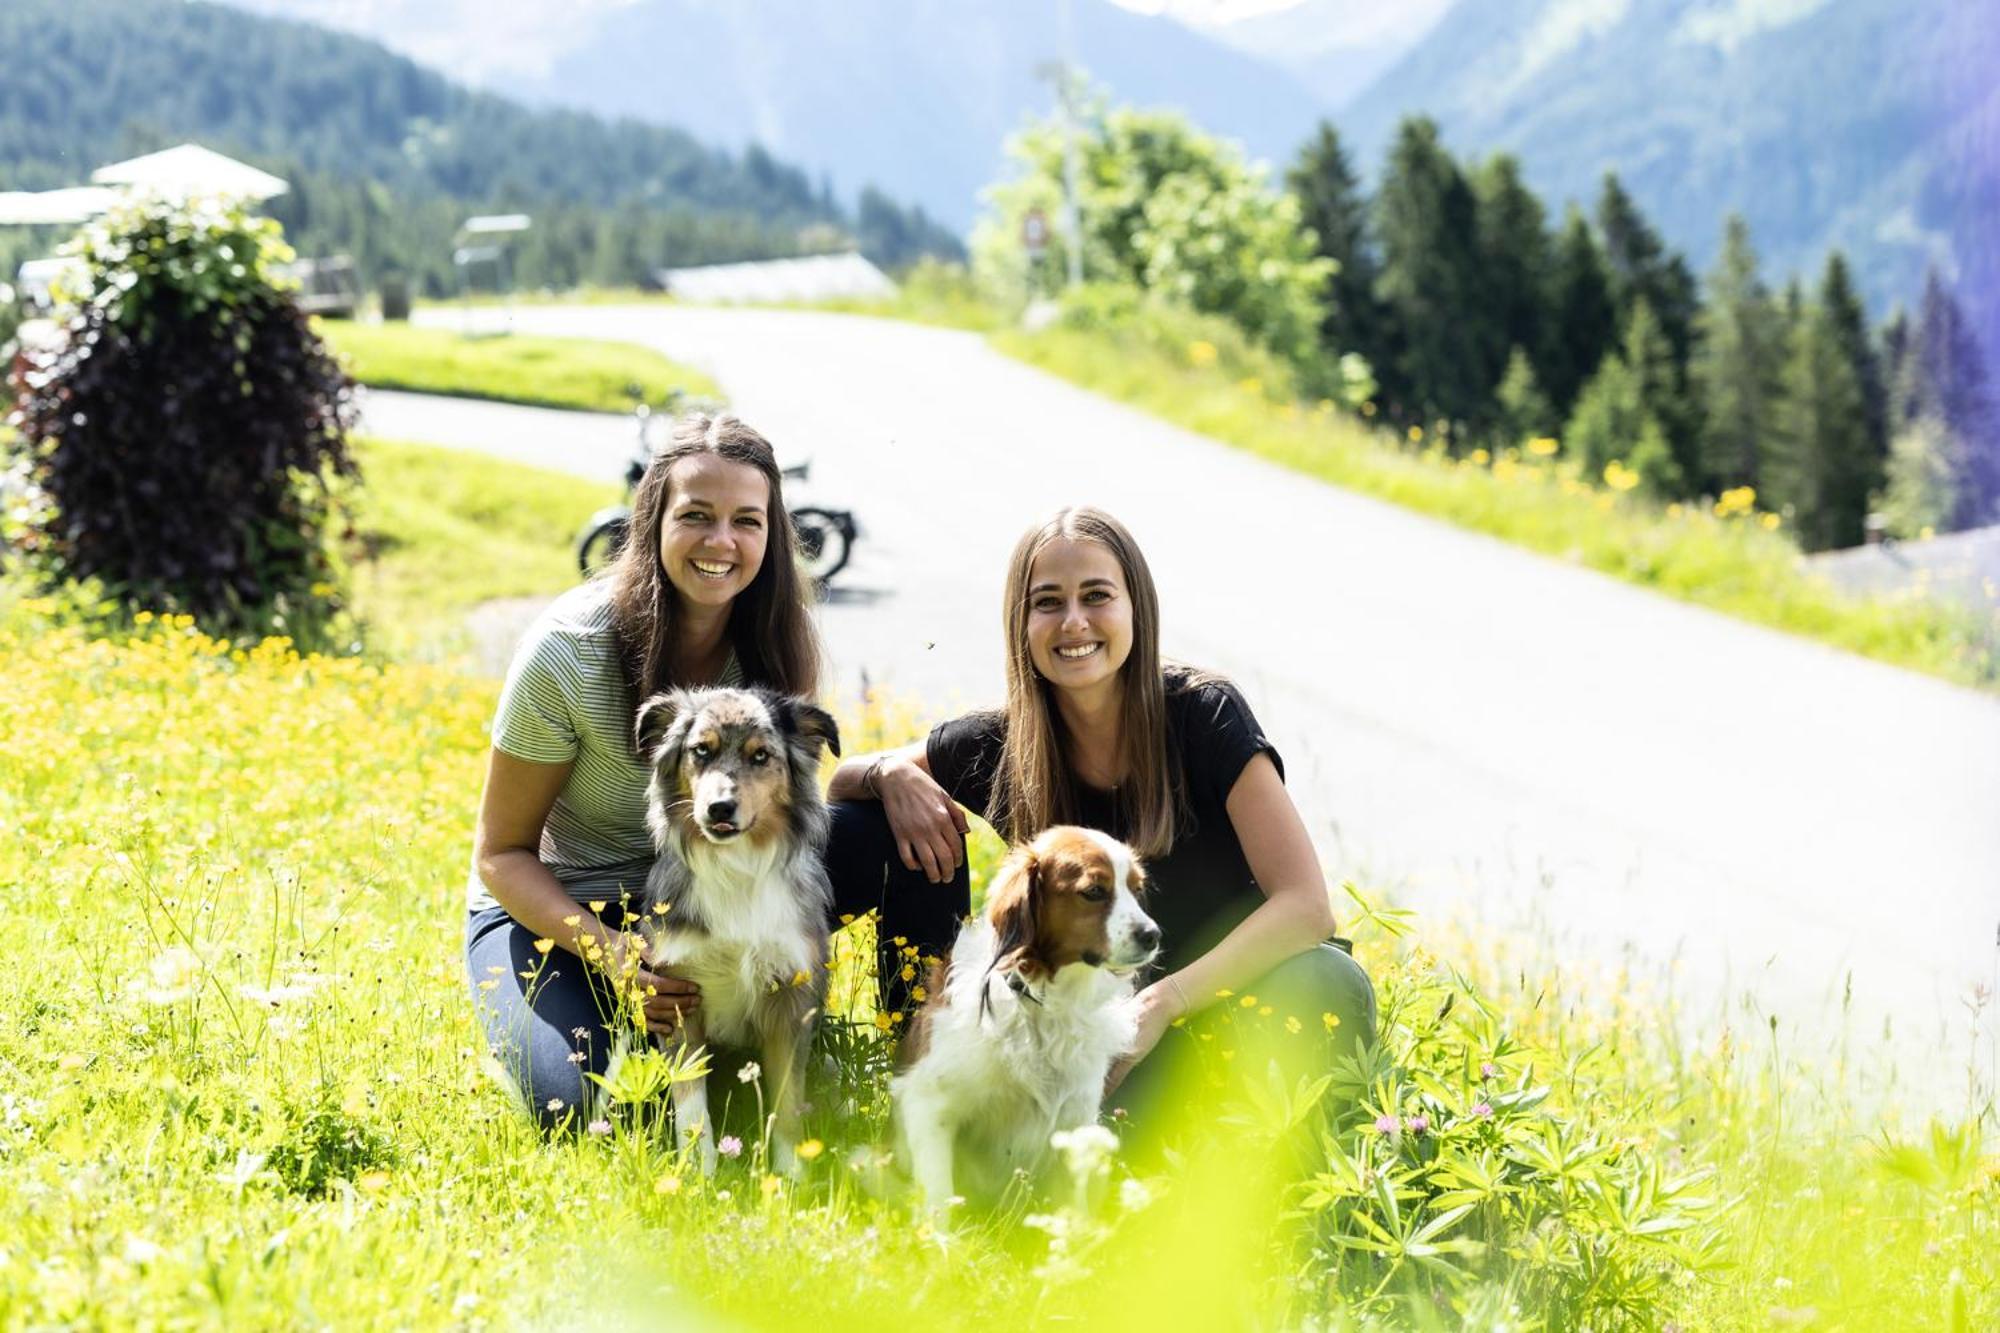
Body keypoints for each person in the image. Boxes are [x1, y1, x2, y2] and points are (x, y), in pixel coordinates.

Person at [464, 413, 963, 1131]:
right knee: (574, 1106)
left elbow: (788, 802)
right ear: (653, 520)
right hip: (567, 910)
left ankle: (921, 1084)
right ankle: (679, 1040)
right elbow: (500, 853)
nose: (721, 542)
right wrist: (615, 958)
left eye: (747, 520)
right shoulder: (567, 651)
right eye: (696, 515)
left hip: (717, 890)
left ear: (772, 533)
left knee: (915, 836)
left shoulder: (773, 639)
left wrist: (886, 771)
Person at [829, 505, 1376, 1113]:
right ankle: (920, 1099)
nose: (1073, 622)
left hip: (1226, 1004)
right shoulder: (1001, 744)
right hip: (1102, 1037)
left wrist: (1163, 1003)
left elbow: (1306, 906)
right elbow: (844, 785)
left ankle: (1319, 1192)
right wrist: (889, 773)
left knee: (1328, 979)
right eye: (1047, 602)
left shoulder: (1204, 714)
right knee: (875, 817)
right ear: (1020, 622)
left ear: (1135, 607)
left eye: (1096, 596)